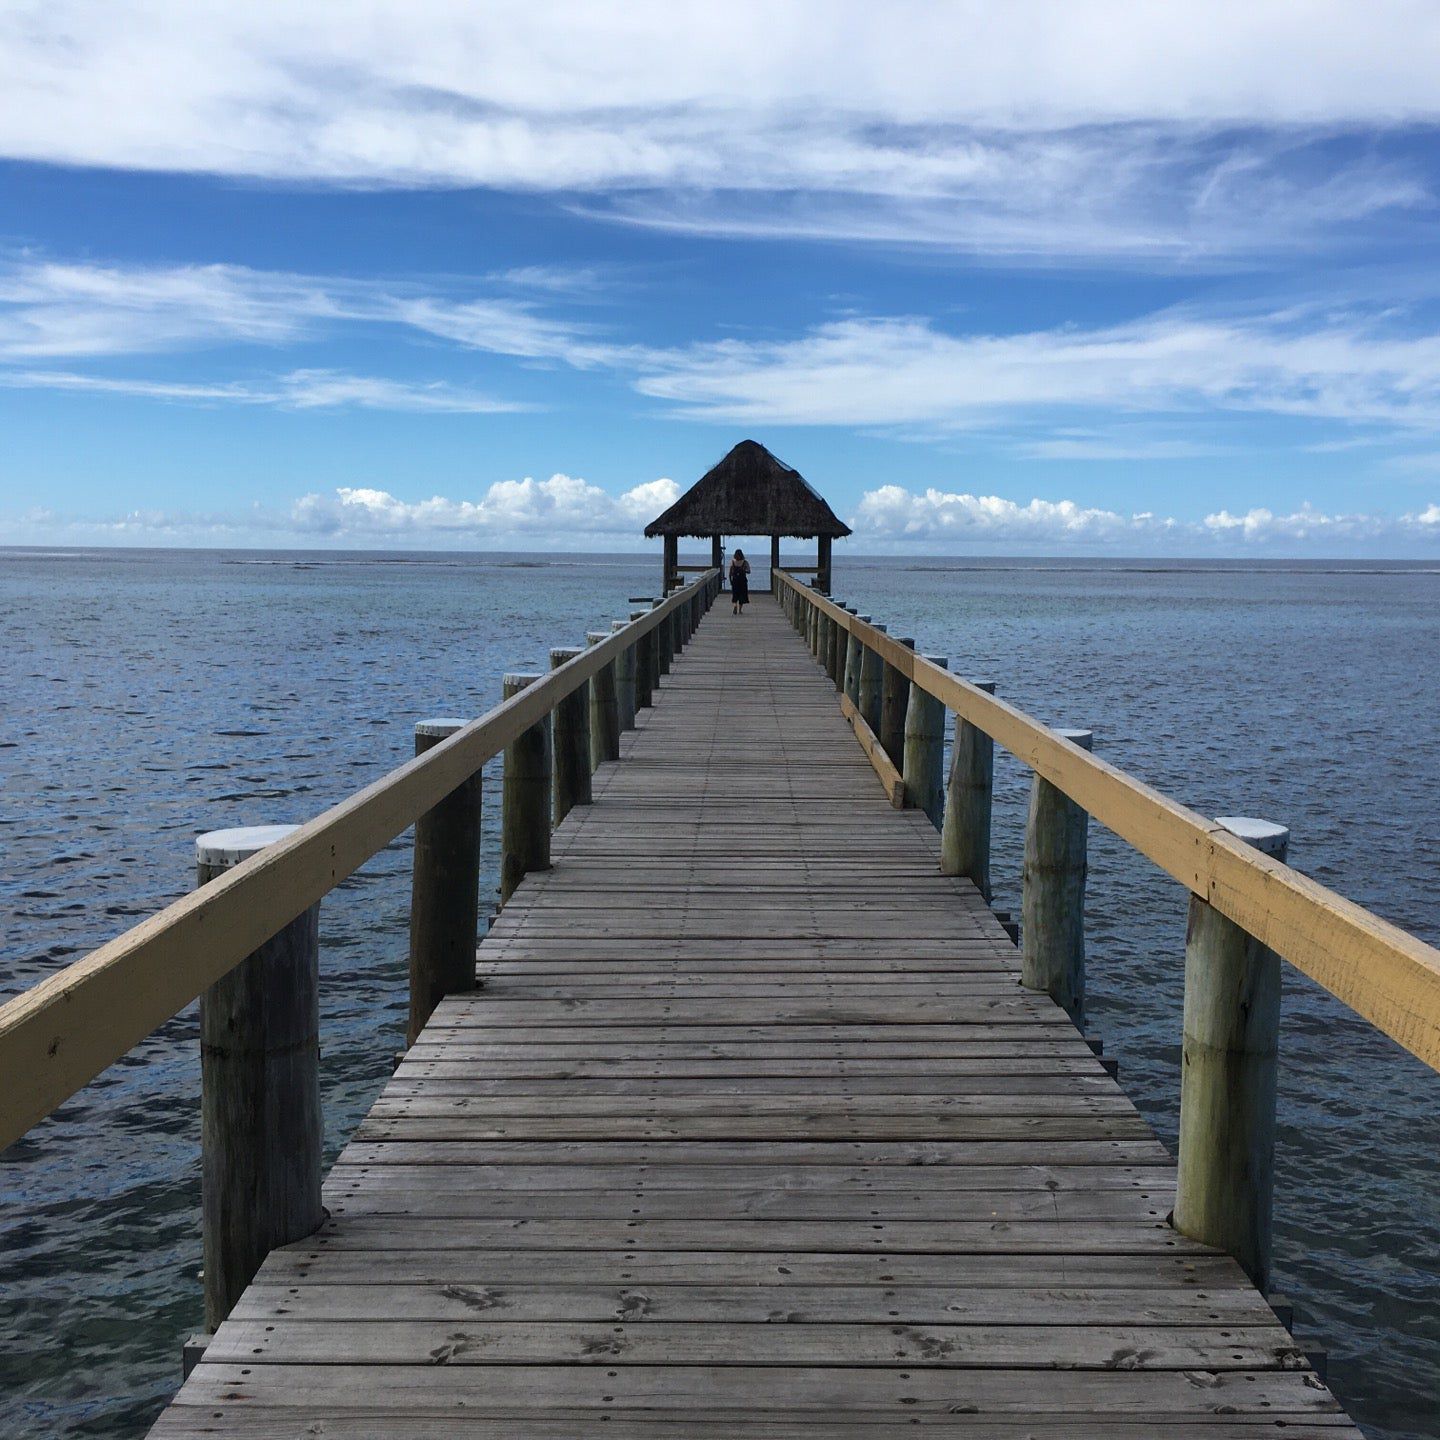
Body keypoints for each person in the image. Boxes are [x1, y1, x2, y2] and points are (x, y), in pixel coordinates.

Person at [729, 549, 751, 613]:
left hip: (735, 580)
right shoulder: (745, 562)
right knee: (742, 594)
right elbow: (749, 571)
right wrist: (744, 570)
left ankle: (735, 605)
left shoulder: (733, 562)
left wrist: (730, 581)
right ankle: (740, 610)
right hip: (743, 580)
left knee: (735, 594)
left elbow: (730, 573)